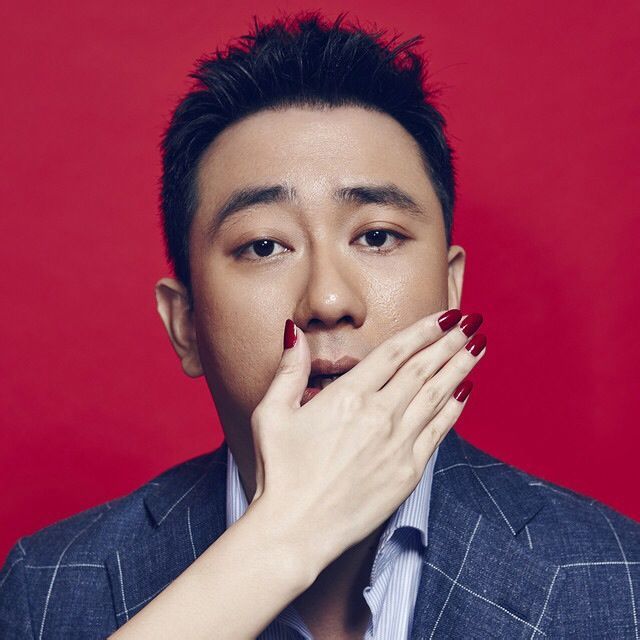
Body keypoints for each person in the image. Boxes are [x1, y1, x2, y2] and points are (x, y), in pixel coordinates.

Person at [1, 10, 639, 640]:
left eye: (377, 236)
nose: (328, 300)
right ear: (186, 323)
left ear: (451, 289)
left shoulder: (620, 578)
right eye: (264, 246)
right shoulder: (46, 589)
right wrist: (281, 540)